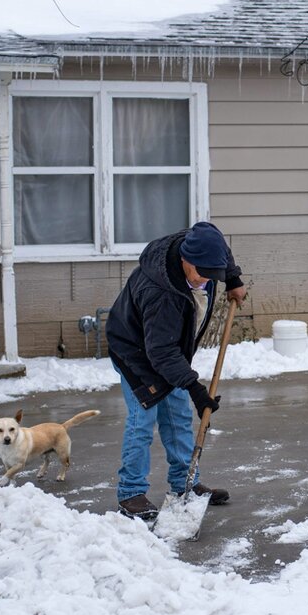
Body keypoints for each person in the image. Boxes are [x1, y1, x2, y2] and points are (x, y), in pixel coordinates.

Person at [104, 221, 247, 521]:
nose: (207, 281)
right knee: (143, 419)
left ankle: (186, 485)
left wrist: (232, 278)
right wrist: (195, 389)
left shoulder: (201, 243)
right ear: (185, 259)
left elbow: (216, 239)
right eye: (202, 274)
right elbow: (161, 353)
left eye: (213, 275)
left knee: (178, 416)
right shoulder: (161, 293)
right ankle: (130, 493)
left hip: (165, 348)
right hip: (135, 351)